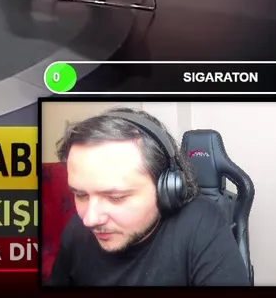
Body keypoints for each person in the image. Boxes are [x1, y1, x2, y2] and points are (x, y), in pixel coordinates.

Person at [46, 108, 251, 287]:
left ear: (166, 188)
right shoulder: (75, 231)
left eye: (116, 197)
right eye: (81, 195)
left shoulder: (201, 223)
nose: (90, 220)